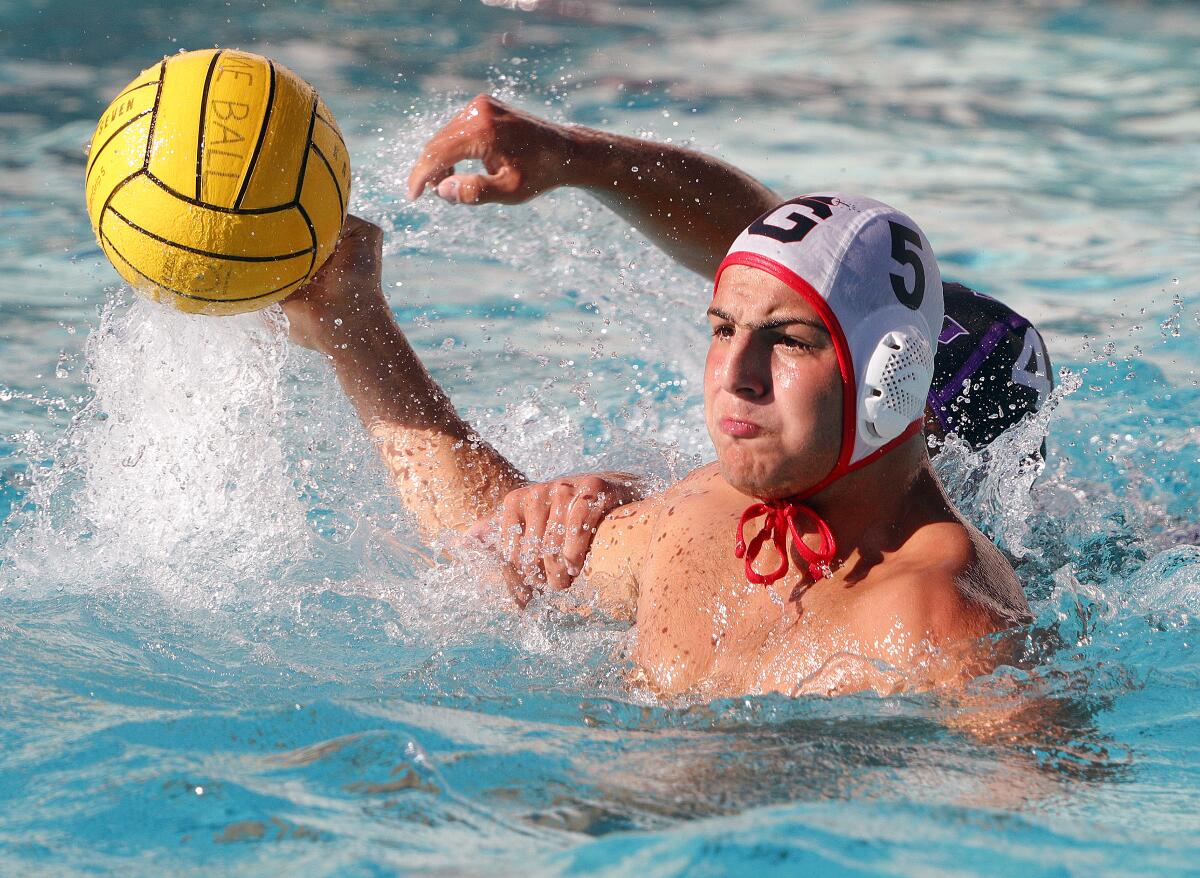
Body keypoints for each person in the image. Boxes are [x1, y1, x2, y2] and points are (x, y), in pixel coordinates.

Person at [283, 183, 1030, 699]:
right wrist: (355, 320)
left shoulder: (942, 622)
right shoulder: (698, 517)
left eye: (789, 341)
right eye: (722, 330)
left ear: (889, 379)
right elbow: (480, 541)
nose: (734, 375)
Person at [406, 96, 1053, 596]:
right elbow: (789, 253)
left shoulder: (976, 586)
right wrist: (576, 156)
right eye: (727, 330)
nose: (740, 375)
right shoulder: (774, 469)